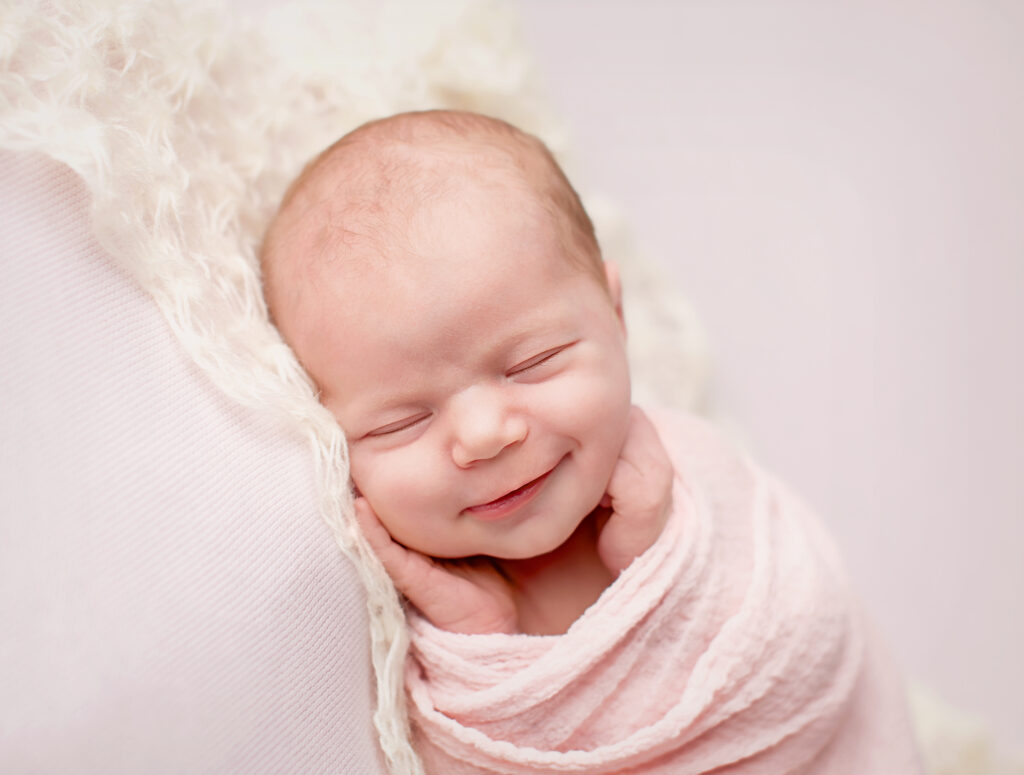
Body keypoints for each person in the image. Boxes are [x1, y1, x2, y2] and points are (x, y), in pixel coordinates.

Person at [260, 109, 923, 773]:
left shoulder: (693, 486)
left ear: (615, 314)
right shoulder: (411, 623)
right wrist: (480, 644)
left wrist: (661, 553)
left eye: (532, 361)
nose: (484, 435)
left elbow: (805, 635)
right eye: (401, 421)